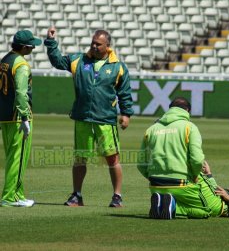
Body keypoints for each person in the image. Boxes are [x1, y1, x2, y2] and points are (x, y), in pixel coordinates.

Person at [44, 27, 133, 207]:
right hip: (83, 118)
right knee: (80, 158)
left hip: (105, 120)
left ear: (107, 46)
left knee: (112, 158)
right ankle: (77, 195)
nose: (93, 46)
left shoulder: (118, 67)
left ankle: (117, 196)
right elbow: (57, 61)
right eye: (92, 43)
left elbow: (124, 93)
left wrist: (126, 114)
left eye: (98, 44)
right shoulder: (79, 60)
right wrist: (52, 43)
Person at [137, 97, 211, 219]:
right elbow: (197, 159)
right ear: (187, 110)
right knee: (204, 210)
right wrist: (195, 175)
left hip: (155, 185)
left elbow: (141, 163)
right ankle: (173, 207)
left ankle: (162, 203)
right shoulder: (190, 127)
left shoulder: (151, 129)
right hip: (181, 184)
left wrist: (152, 176)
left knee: (170, 198)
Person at [0, 30, 42, 207]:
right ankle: (10, 197)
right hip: (17, 117)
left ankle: (18, 194)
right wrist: (25, 117)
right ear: (25, 47)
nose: (33, 48)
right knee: (18, 158)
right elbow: (21, 93)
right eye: (31, 45)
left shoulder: (5, 60)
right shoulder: (21, 64)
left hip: (4, 116)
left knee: (13, 157)